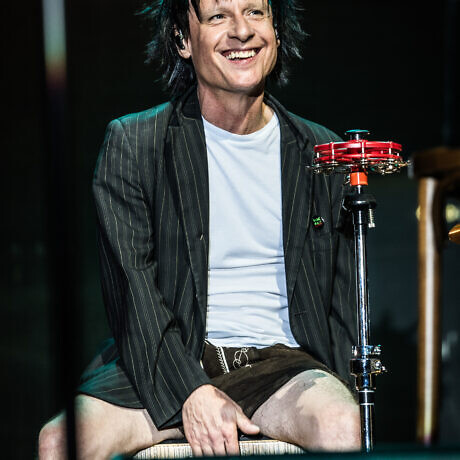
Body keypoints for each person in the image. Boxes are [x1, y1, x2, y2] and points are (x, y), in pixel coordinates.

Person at [39, 0, 360, 458]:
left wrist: (343, 387)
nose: (241, 31)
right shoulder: (136, 143)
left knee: (341, 425)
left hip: (283, 367)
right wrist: (190, 390)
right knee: (58, 443)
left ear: (277, 29)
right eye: (217, 16)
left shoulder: (322, 152)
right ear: (182, 40)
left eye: (255, 12)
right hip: (167, 357)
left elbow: (344, 309)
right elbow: (133, 295)